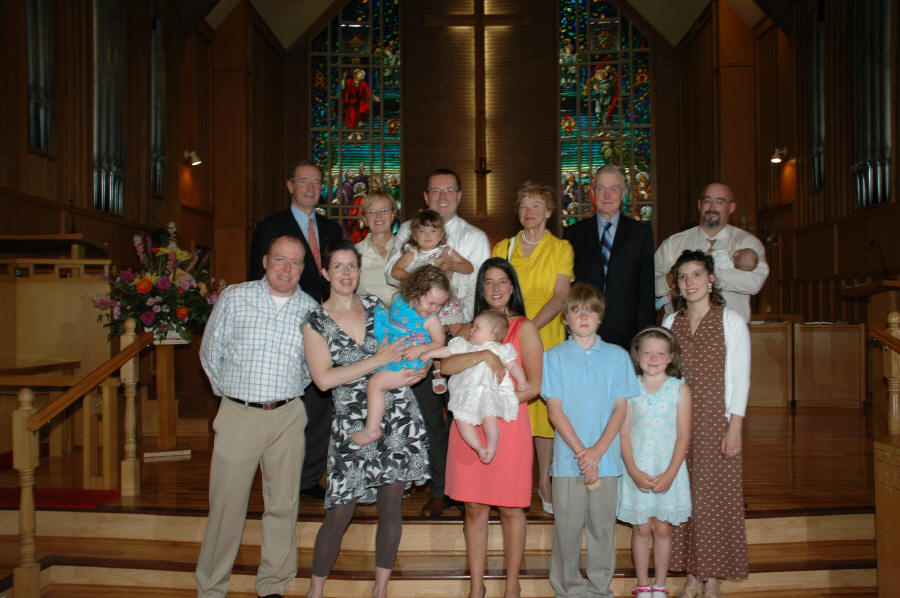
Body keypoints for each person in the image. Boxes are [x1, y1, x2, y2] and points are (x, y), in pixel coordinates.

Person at [303, 240, 430, 598]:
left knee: (391, 507)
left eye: (352, 266)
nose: (346, 273)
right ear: (325, 272)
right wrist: (376, 361)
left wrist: (420, 366)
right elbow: (323, 380)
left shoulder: (377, 305)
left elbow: (406, 344)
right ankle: (316, 591)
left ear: (360, 271)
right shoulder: (315, 321)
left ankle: (381, 589)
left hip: (397, 413)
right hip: (352, 423)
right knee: (339, 511)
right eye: (338, 266)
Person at [196, 234, 317, 598]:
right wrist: (234, 397)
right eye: (280, 259)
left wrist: (285, 393)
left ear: (303, 268)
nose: (287, 268)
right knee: (226, 506)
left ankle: (273, 584)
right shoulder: (236, 297)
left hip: (288, 415)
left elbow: (311, 368)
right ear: (265, 261)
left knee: (283, 504)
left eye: (295, 262)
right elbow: (210, 351)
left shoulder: (310, 309)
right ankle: (211, 586)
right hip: (240, 413)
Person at [385, 168, 491, 517]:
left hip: (461, 332)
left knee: (466, 411)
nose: (442, 196)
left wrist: (467, 329)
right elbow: (391, 273)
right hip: (421, 334)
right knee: (430, 414)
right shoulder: (408, 232)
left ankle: (470, 488)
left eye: (449, 190)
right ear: (426, 197)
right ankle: (440, 488)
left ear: (459, 195)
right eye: (436, 191)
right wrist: (425, 272)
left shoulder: (473, 237)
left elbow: (479, 282)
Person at [441, 258, 543, 598]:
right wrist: (483, 356)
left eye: (502, 281)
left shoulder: (525, 328)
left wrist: (492, 404)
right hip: (468, 424)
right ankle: (476, 587)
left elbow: (534, 385)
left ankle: (512, 585)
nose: (496, 288)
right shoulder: (471, 328)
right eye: (488, 281)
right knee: (474, 507)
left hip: (508, 424)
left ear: (513, 287)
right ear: (481, 289)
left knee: (512, 508)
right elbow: (445, 367)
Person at [248, 159, 344, 501]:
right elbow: (256, 278)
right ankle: (279, 476)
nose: (310, 188)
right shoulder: (271, 226)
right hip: (284, 328)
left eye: (316, 182)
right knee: (289, 403)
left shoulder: (331, 229)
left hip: (325, 328)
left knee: (320, 405)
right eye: (304, 181)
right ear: (290, 186)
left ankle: (307, 478)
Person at [542, 282, 640, 598]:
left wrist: (597, 452)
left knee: (602, 528)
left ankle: (600, 589)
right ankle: (568, 589)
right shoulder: (553, 357)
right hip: (568, 461)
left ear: (600, 317)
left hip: (606, 460)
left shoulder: (618, 356)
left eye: (590, 310)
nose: (583, 317)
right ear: (565, 318)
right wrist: (583, 453)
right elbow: (555, 411)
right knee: (567, 529)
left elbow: (620, 409)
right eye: (576, 310)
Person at [662, 250, 751, 598]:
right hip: (678, 422)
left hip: (716, 420)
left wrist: (735, 426)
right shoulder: (671, 322)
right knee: (682, 497)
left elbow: (741, 378)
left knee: (713, 498)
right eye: (683, 277)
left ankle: (712, 578)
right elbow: (662, 374)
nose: (690, 283)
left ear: (711, 279)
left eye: (697, 275)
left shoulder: (731, 321)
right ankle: (691, 577)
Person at [492, 181, 573, 515]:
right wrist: (511, 331)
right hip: (506, 334)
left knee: (544, 410)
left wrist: (528, 330)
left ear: (549, 211)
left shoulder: (561, 248)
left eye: (536, 205)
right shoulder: (504, 247)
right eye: (524, 205)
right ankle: (510, 479)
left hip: (546, 335)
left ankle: (544, 482)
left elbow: (560, 296)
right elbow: (494, 291)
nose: (529, 211)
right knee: (508, 403)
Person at [617, 327, 693, 598]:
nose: (653, 358)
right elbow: (624, 433)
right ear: (637, 355)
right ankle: (642, 584)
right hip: (637, 468)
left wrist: (670, 473)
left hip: (667, 469)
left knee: (661, 527)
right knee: (641, 527)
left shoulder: (680, 389)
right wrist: (633, 470)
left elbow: (684, 435)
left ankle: (660, 584)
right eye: (647, 352)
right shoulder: (630, 388)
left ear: (671, 357)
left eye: (660, 353)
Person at [354, 264, 450, 447]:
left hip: (411, 362)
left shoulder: (432, 320)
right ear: (415, 292)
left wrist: (420, 349)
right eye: (431, 303)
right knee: (373, 386)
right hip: (394, 355)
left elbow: (439, 344)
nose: (436, 309)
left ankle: (372, 429)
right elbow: (393, 322)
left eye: (440, 305)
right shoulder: (397, 298)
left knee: (375, 384)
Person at [564, 164, 655, 351]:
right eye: (601, 189)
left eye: (613, 189)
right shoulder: (573, 234)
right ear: (593, 193)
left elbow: (646, 288)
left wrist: (645, 336)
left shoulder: (641, 234)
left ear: (623, 193)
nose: (607, 195)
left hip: (627, 331)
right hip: (583, 329)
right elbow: (568, 288)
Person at [421, 309, 529, 463]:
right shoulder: (466, 347)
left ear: (493, 335)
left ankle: (491, 446)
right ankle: (478, 447)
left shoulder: (499, 349)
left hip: (486, 392)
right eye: (473, 327)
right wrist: (430, 354)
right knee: (461, 419)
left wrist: (522, 381)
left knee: (489, 418)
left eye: (477, 328)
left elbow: (513, 366)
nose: (471, 330)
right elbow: (447, 351)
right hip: (465, 393)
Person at [654, 181, 769, 322]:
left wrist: (708, 273)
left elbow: (754, 283)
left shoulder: (747, 243)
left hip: (729, 328)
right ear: (699, 205)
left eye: (719, 202)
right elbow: (649, 285)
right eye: (707, 201)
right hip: (680, 328)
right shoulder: (673, 243)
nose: (712, 207)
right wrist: (672, 277)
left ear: (731, 207)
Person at [390, 208, 473, 325]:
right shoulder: (413, 254)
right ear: (415, 236)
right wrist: (415, 279)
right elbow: (395, 271)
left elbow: (469, 268)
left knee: (455, 325)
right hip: (421, 302)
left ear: (441, 235)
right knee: (417, 323)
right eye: (422, 230)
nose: (427, 235)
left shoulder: (446, 251)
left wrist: (452, 265)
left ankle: (454, 335)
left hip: (443, 300)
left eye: (433, 230)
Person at [355, 191, 398, 305]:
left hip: (405, 314)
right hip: (367, 314)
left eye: (384, 210)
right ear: (365, 219)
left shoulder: (407, 249)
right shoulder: (354, 253)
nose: (378, 216)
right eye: (371, 211)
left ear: (393, 215)